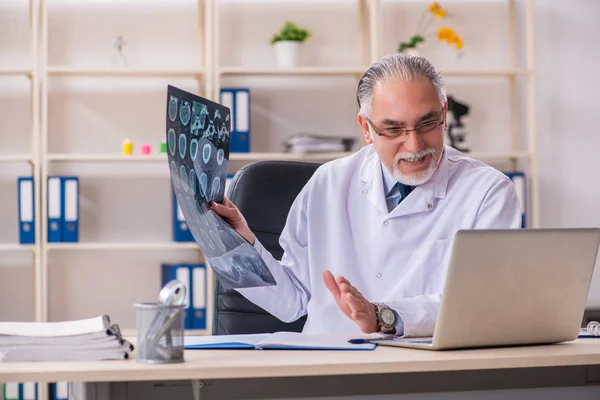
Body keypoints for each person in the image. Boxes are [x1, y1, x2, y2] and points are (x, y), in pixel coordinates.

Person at [211, 53, 522, 337]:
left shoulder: (487, 192)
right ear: (366, 128)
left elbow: (484, 303)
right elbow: (293, 301)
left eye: (427, 124)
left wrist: (384, 317)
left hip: (429, 370)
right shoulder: (328, 182)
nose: (414, 146)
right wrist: (239, 245)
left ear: (443, 114)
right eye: (393, 129)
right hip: (330, 366)